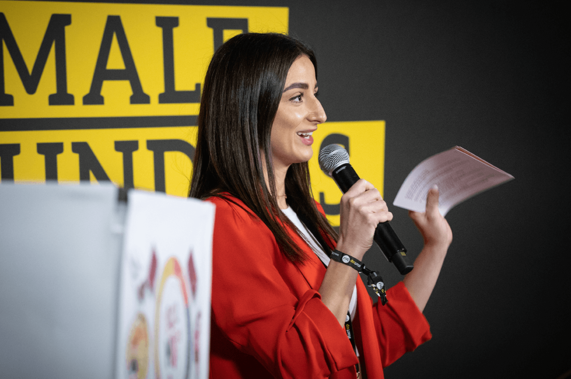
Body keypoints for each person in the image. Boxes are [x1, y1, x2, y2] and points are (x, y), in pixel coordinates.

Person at [189, 32, 452, 378]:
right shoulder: (222, 222)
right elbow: (299, 361)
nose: (320, 114)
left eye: (316, 93)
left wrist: (435, 246)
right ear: (249, 107)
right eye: (298, 97)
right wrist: (349, 251)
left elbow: (364, 346)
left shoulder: (304, 212)